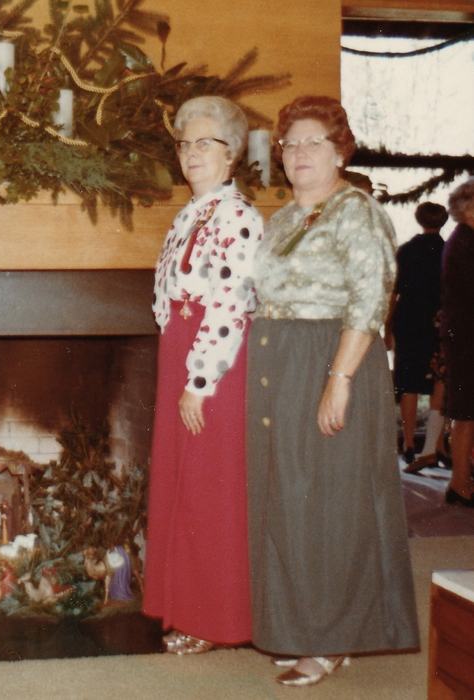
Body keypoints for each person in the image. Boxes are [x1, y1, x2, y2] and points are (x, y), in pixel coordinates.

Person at [247, 96, 419, 686]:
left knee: (330, 505)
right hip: (282, 365)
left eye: (312, 142)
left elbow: (370, 302)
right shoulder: (283, 218)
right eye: (289, 143)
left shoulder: (358, 212)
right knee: (289, 502)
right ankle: (299, 626)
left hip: (334, 360)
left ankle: (332, 638)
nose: (298, 153)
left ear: (339, 150)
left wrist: (338, 381)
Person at [142, 96, 262, 655]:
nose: (192, 153)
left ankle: (215, 619)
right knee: (181, 484)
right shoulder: (192, 211)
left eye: (205, 143)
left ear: (232, 152)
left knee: (207, 491)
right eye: (186, 143)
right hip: (181, 353)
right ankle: (183, 607)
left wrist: (199, 380)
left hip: (213, 364)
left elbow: (232, 304)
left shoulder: (237, 216)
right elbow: (171, 295)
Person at [385, 202, 448, 466]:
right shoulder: (448, 251)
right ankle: (435, 443)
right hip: (437, 321)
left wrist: (387, 326)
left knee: (409, 383)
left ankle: (409, 442)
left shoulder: (406, 251)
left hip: (408, 320)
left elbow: (393, 292)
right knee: (439, 382)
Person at [440, 179, 474, 506]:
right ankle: (460, 484)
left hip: (463, 335)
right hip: (466, 339)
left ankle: (462, 480)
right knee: (465, 414)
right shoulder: (465, 242)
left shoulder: (463, 239)